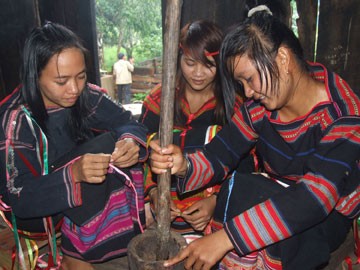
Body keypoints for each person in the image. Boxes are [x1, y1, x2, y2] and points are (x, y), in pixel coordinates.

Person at [149, 2, 360, 269]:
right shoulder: (260, 107)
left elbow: (315, 198)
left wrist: (226, 238)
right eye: (241, 84)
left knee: (249, 193)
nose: (247, 93)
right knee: (240, 187)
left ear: (282, 59)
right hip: (278, 194)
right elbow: (219, 154)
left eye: (249, 79)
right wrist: (182, 165)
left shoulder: (344, 114)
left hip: (325, 217)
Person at [0, 22, 148, 269]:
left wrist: (130, 141)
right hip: (39, 210)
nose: (74, 89)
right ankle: (75, 253)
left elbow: (125, 121)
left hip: (74, 195)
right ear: (34, 76)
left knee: (112, 143)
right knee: (97, 149)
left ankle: (94, 236)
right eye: (61, 81)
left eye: (81, 76)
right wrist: (74, 174)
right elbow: (18, 196)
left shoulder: (85, 95)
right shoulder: (15, 120)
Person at [139, 20, 254, 239]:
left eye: (208, 65)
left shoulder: (234, 106)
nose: (198, 73)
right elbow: (140, 152)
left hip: (211, 208)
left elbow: (247, 163)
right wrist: (154, 193)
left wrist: (215, 200)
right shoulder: (158, 99)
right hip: (162, 207)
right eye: (190, 63)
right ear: (179, 58)